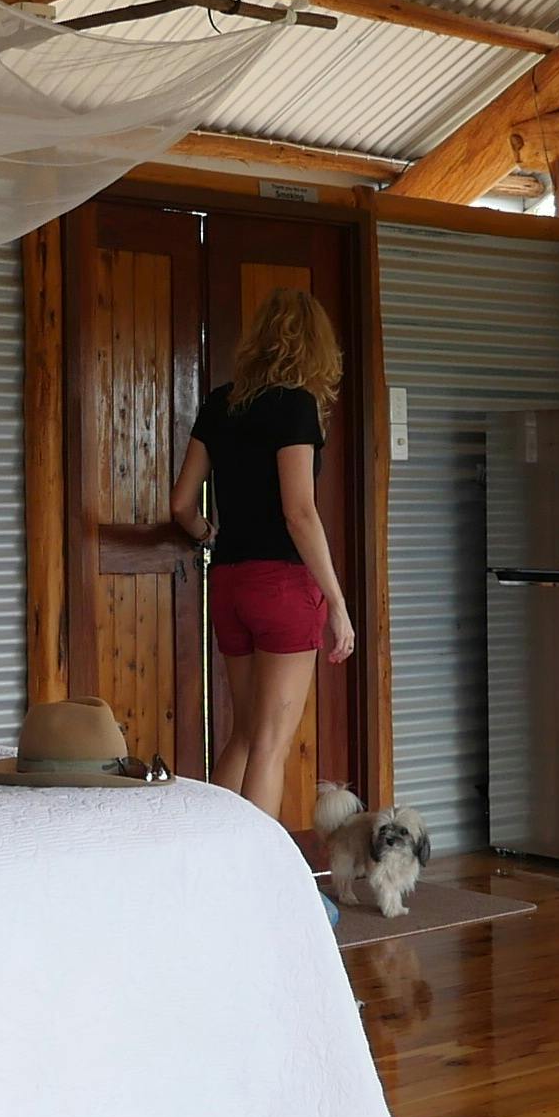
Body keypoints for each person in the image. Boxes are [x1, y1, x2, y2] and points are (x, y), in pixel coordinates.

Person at [175, 286, 356, 828]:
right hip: (281, 585)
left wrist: (207, 532)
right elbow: (300, 513)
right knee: (272, 746)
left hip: (229, 582)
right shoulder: (295, 405)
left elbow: (181, 504)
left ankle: (213, 859)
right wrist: (337, 602)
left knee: (245, 734)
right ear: (317, 347)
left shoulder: (220, 402)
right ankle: (257, 883)